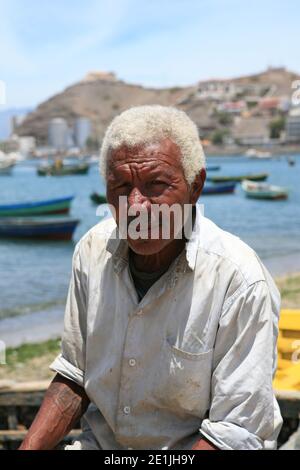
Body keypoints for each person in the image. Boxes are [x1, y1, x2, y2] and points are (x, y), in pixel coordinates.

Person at [20, 105, 282, 450]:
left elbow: (235, 431)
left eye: (156, 185)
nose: (136, 205)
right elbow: (75, 374)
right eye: (121, 186)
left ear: (195, 187)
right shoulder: (92, 251)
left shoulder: (240, 280)